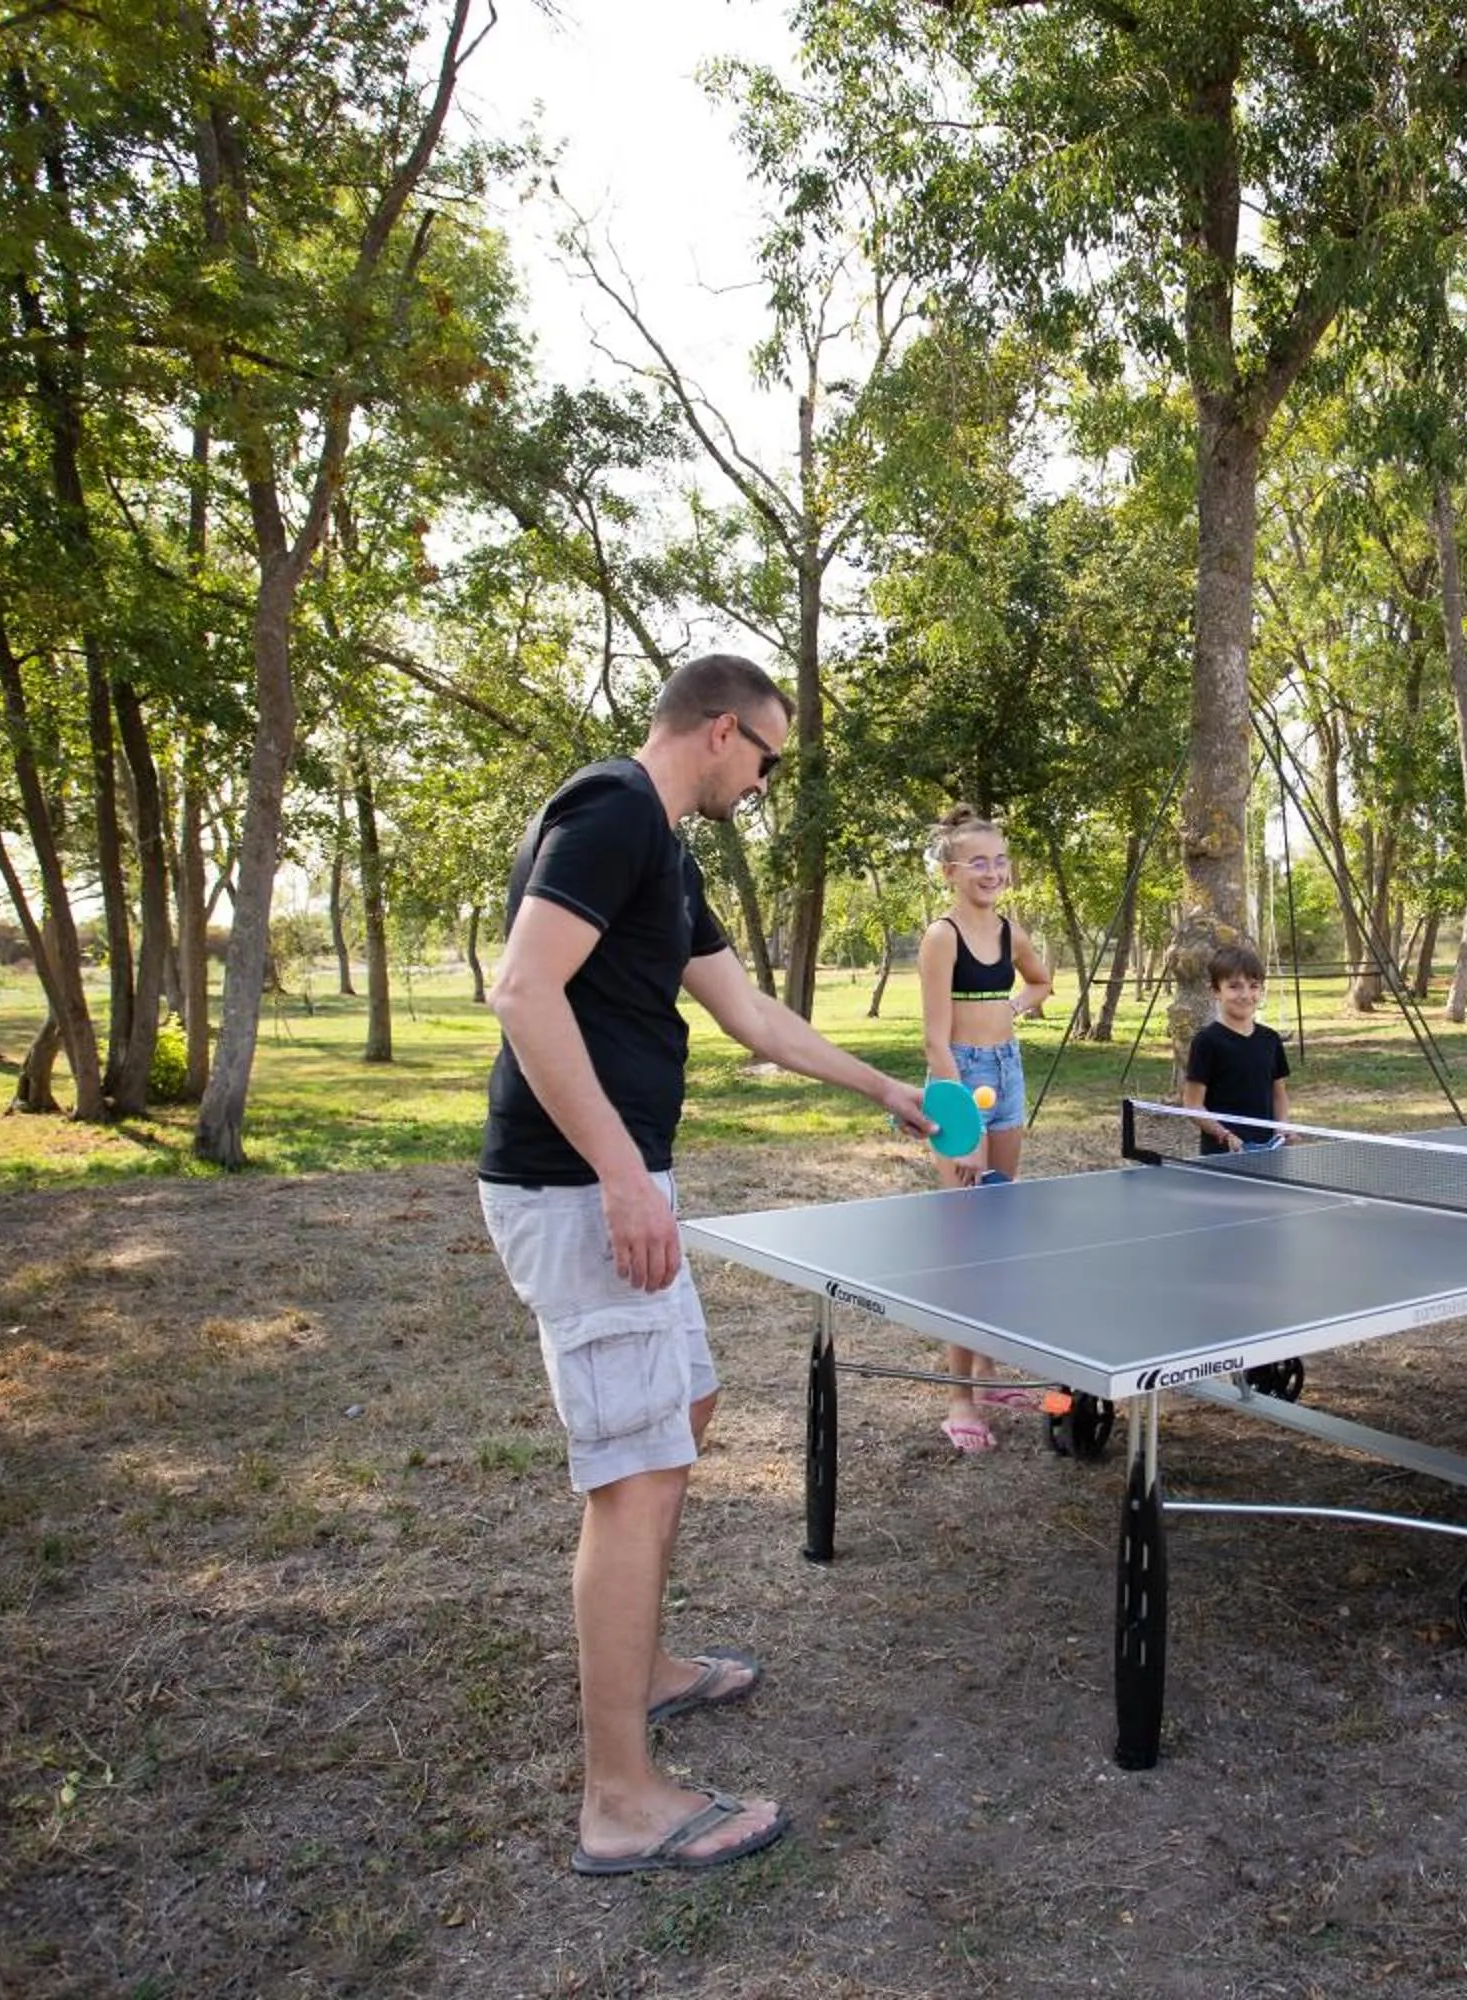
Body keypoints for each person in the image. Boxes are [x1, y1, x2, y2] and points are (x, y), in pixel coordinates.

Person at [479, 652, 931, 1878]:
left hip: (621, 1178)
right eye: (769, 758)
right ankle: (619, 1798)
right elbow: (522, 989)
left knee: (682, 1410)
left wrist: (883, 1083)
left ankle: (652, 1665)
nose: (768, 780)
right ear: (723, 730)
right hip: (581, 1185)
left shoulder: (665, 853)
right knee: (635, 1470)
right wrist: (624, 1176)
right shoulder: (616, 805)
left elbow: (755, 1019)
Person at [914, 806, 1056, 1452]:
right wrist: (962, 1126)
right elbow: (934, 1042)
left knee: (997, 1225)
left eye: (999, 861)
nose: (991, 872)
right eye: (977, 862)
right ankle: (959, 1398)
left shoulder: (1008, 931)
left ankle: (991, 1368)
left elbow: (1042, 981)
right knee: (965, 1243)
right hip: (959, 1078)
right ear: (950, 871)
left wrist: (1017, 1006)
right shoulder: (940, 938)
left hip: (1008, 1073)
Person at [1182, 943, 1291, 1156]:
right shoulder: (1206, 1041)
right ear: (1215, 991)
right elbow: (1193, 1104)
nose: (1245, 994)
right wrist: (1224, 1135)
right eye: (1234, 986)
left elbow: (1279, 1095)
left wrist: (1283, 1126)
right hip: (1223, 1156)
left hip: (1269, 1152)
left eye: (1253, 986)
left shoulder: (1270, 1039)